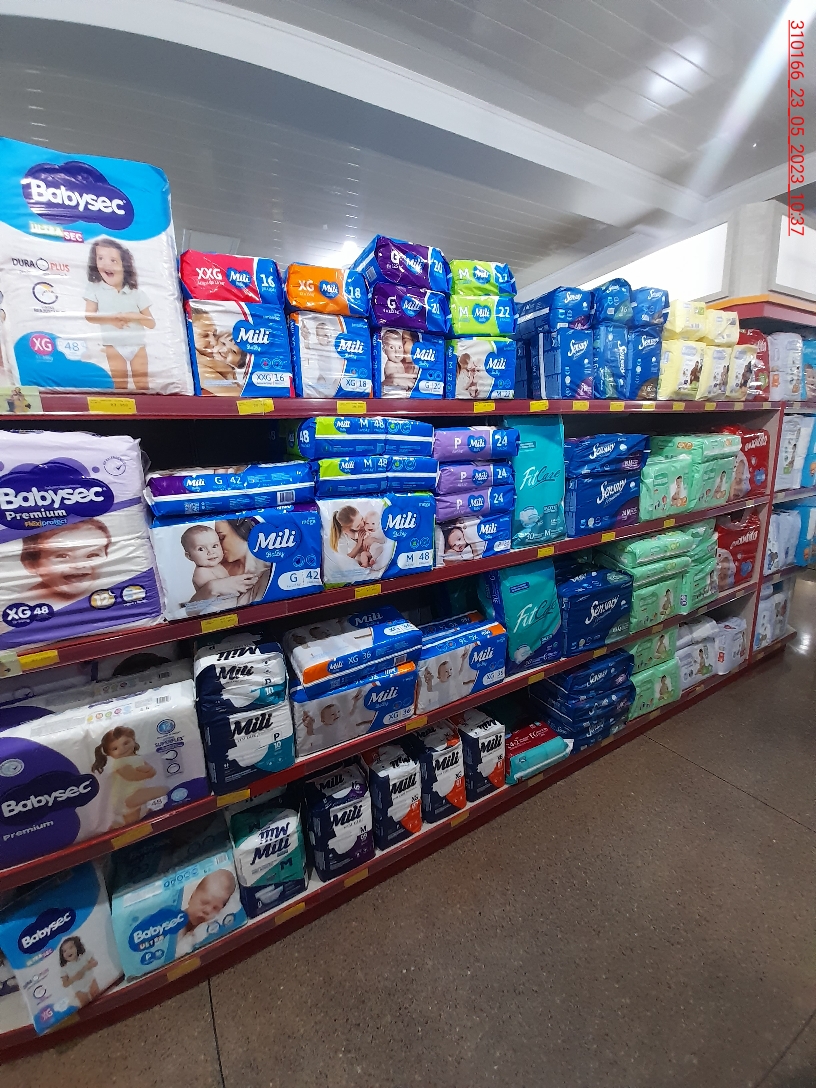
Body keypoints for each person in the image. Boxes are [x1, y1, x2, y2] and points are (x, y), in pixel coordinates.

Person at [84, 238, 154, 391]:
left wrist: (134, 316)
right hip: (113, 345)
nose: (106, 264)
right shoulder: (95, 289)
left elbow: (151, 323)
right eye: (100, 258)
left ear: (125, 265)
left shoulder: (136, 293)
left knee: (142, 385)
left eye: (113, 260)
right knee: (120, 386)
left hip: (137, 345)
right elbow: (89, 316)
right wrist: (111, 319)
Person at [19, 519, 111, 606]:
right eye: (62, 556)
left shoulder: (110, 592)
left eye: (93, 555)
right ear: (31, 565)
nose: (79, 565)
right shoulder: (24, 605)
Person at [91, 724, 166, 828]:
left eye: (126, 743)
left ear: (133, 740)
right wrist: (146, 773)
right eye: (115, 748)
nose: (122, 749)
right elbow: (131, 776)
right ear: (109, 753)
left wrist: (149, 771)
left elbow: (152, 772)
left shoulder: (137, 757)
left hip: (135, 793)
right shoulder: (120, 763)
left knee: (132, 821)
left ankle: (117, 826)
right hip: (126, 797)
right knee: (162, 790)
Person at [187, 520, 270, 606]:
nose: (214, 551)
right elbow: (191, 610)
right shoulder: (211, 567)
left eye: (221, 538)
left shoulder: (269, 572)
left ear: (242, 531)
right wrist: (211, 588)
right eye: (201, 549)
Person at [175, 870, 237, 958]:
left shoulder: (207, 931)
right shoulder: (174, 922)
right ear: (192, 896)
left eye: (215, 908)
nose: (207, 910)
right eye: (204, 902)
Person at [180, 525, 231, 592]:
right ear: (189, 556)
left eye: (214, 546)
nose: (211, 552)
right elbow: (218, 592)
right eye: (201, 549)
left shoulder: (218, 565)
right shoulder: (202, 572)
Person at [59, 936, 100, 1007]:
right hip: (78, 989)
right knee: (85, 1004)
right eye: (64, 951)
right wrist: (73, 978)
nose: (68, 952)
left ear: (77, 947)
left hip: (90, 980)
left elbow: (95, 963)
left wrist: (84, 969)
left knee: (97, 996)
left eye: (71, 947)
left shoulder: (85, 955)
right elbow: (65, 984)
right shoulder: (65, 968)